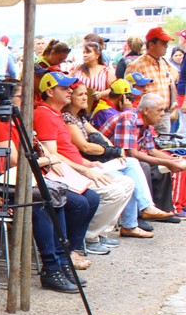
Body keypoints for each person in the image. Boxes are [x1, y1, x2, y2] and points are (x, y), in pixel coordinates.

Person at [0, 90, 82, 292]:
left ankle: (62, 263)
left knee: (52, 198)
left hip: (0, 188)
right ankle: (51, 268)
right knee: (41, 205)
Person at [35, 72, 133, 255]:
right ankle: (80, 242)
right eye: (64, 88)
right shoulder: (44, 114)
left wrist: (88, 165)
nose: (69, 92)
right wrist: (85, 170)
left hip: (74, 168)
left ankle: (86, 239)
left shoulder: (55, 114)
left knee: (125, 183)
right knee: (106, 193)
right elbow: (54, 157)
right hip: (62, 173)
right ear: (50, 91)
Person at [63, 82, 168, 238]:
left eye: (86, 93)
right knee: (130, 174)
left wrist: (114, 150)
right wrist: (113, 150)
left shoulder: (79, 117)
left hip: (96, 161)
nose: (86, 97)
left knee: (132, 166)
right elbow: (85, 147)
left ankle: (139, 216)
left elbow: (102, 138)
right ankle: (95, 234)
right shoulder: (68, 118)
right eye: (80, 94)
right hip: (83, 164)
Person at [100, 93, 186, 215]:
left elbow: (152, 151)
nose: (163, 114)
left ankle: (164, 210)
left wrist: (173, 160)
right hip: (107, 160)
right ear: (146, 110)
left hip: (126, 159)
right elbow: (132, 154)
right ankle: (142, 213)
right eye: (160, 110)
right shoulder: (128, 119)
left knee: (163, 167)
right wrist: (168, 161)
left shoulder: (147, 124)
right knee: (144, 166)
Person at [127, 27, 180, 134]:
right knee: (146, 148)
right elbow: (128, 92)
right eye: (163, 43)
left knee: (164, 147)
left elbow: (172, 83)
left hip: (164, 115)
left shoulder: (165, 63)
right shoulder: (136, 65)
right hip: (146, 116)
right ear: (152, 44)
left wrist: (173, 104)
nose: (166, 46)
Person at [74, 41, 116, 106]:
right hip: (79, 109)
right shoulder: (77, 69)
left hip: (99, 108)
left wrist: (101, 94)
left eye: (88, 52)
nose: (85, 55)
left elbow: (114, 89)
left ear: (97, 55)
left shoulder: (106, 71)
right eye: (84, 53)